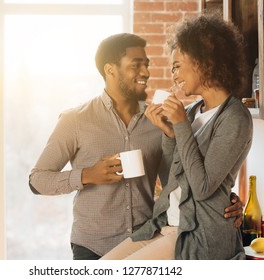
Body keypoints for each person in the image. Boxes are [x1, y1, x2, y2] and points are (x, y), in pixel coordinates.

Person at [28, 32, 244, 260]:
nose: (146, 72)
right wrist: (87, 175)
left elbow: (181, 179)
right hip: (91, 246)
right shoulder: (75, 120)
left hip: (149, 236)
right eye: (136, 65)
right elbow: (37, 181)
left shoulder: (158, 121)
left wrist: (224, 200)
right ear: (110, 70)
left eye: (146, 64)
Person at [101, 14, 253, 260]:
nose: (173, 75)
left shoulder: (235, 117)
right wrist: (169, 133)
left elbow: (202, 188)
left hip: (197, 236)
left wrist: (180, 125)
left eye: (177, 65)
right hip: (167, 224)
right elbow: (173, 177)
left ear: (204, 61)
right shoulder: (193, 111)